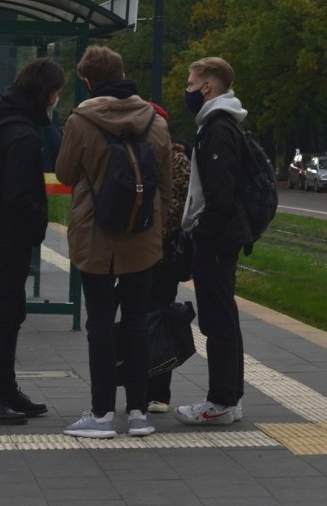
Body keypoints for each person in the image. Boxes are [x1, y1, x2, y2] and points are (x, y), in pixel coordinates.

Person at [56, 46, 172, 438]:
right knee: (137, 323)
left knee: (101, 325)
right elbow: (168, 184)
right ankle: (138, 413)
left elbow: (65, 172)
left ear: (89, 81)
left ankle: (102, 414)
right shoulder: (155, 122)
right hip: (142, 237)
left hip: (96, 237)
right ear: (122, 72)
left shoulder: (80, 120)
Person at [0, 57, 65, 425]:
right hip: (10, 234)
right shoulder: (23, 134)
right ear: (46, 93)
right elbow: (18, 194)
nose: (58, 98)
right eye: (57, 91)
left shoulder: (3, 118)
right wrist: (38, 219)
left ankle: (6, 390)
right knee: (1, 314)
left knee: (11, 311)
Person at [174, 56, 251, 425]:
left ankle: (219, 402)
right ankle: (229, 399)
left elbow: (219, 195)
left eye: (190, 83)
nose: (186, 91)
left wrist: (201, 237)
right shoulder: (222, 124)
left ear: (207, 86)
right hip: (222, 239)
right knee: (224, 319)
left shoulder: (217, 129)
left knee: (217, 321)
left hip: (216, 242)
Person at [146, 124, 192, 414]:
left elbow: (175, 211)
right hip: (154, 255)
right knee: (151, 318)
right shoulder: (171, 159)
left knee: (154, 318)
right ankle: (152, 391)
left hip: (157, 256)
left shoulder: (175, 161)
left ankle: (156, 391)